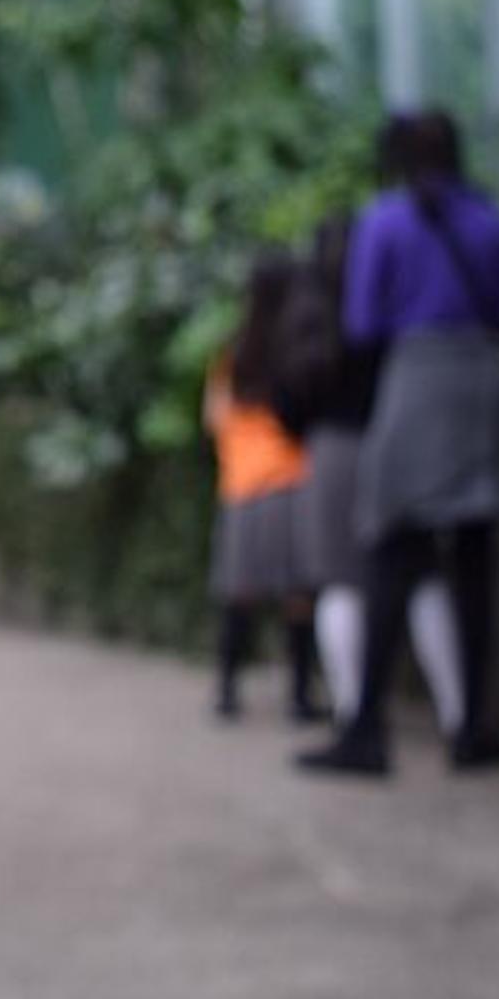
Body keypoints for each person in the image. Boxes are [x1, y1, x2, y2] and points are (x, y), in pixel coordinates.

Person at [300, 111, 499, 777]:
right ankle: (471, 725)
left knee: (389, 547)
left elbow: (363, 322)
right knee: (475, 558)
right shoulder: (491, 221)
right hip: (482, 382)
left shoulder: (385, 221)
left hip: (416, 381)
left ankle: (366, 727)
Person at [278, 217, 466, 736]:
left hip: (335, 448)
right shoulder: (390, 308)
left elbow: (289, 401)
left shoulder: (311, 316)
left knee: (340, 580)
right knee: (422, 571)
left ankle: (354, 714)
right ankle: (457, 714)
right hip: (399, 440)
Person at [204, 252, 319, 722]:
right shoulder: (298, 350)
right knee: (297, 595)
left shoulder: (233, 353)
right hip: (291, 479)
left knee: (239, 592)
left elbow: (213, 418)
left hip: (241, 484)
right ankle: (298, 699)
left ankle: (228, 692)